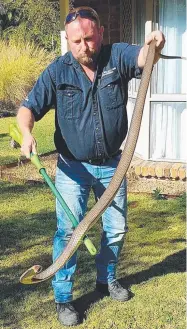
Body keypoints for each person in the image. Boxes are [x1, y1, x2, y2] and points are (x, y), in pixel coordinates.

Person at [17, 6, 165, 326]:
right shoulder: (58, 71)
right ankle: (63, 297)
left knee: (116, 228)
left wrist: (155, 44)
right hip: (72, 168)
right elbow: (28, 108)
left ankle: (106, 279)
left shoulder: (116, 56)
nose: (84, 46)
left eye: (88, 38)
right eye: (76, 41)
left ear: (99, 32)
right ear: (67, 41)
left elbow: (143, 57)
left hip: (113, 166)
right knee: (69, 231)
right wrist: (26, 132)